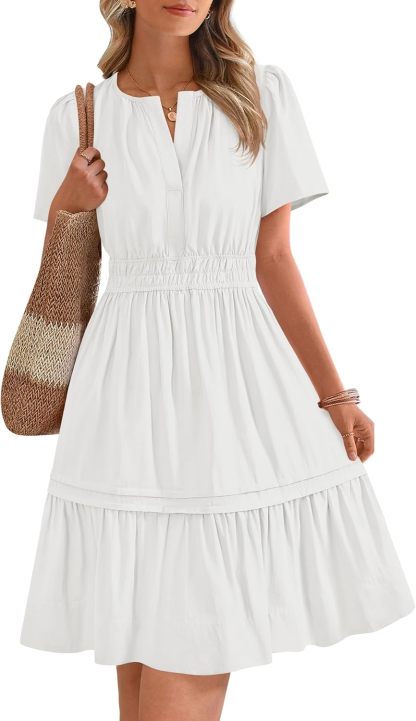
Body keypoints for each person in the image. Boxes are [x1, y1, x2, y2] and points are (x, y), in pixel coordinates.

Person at [18, 1, 414, 720]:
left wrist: (335, 395)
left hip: (232, 390)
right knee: (139, 656)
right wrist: (71, 204)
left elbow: (274, 259)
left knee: (193, 627)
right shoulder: (77, 117)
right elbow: (63, 274)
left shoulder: (262, 97)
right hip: (124, 395)